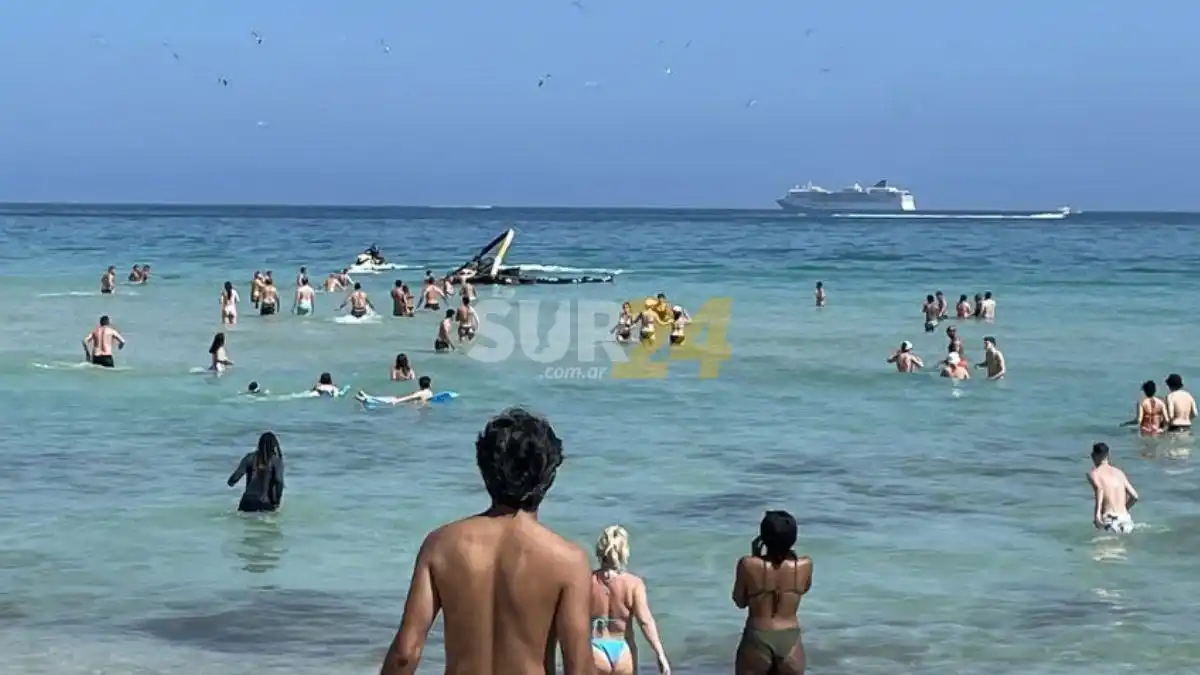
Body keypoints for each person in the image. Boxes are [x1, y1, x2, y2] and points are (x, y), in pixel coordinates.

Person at [379, 408, 592, 675]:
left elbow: (405, 653)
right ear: (548, 475)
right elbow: (580, 668)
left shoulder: (440, 546)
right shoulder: (568, 561)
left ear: (484, 469)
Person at [732, 510, 812, 675]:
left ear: (763, 538)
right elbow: (803, 589)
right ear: (793, 538)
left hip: (757, 637)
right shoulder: (805, 565)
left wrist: (755, 558)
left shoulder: (747, 564)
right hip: (790, 639)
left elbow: (740, 601)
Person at [589, 525, 671, 675]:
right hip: (623, 650)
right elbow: (645, 621)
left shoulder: (588, 581)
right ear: (623, 551)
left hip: (595, 649)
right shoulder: (633, 583)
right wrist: (660, 654)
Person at [227, 431, 285, 513]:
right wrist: (276, 501)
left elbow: (235, 477)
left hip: (247, 502)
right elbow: (279, 481)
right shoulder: (276, 461)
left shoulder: (249, 457)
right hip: (265, 503)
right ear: (274, 446)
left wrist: (231, 482)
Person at [1087, 442, 1138, 534]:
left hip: (1110, 519)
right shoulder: (1119, 473)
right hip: (1125, 519)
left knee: (1104, 547)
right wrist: (1124, 509)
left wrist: (1097, 515)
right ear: (1108, 455)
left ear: (1093, 456)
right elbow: (1135, 496)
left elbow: (1100, 490)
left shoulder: (1094, 474)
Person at [356, 376, 434, 407]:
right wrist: (398, 401)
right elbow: (412, 397)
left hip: (400, 401)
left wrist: (398, 400)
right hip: (400, 401)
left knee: (386, 399)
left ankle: (366, 397)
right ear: (429, 384)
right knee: (385, 401)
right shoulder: (428, 393)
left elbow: (412, 397)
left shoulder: (422, 392)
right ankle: (366, 398)